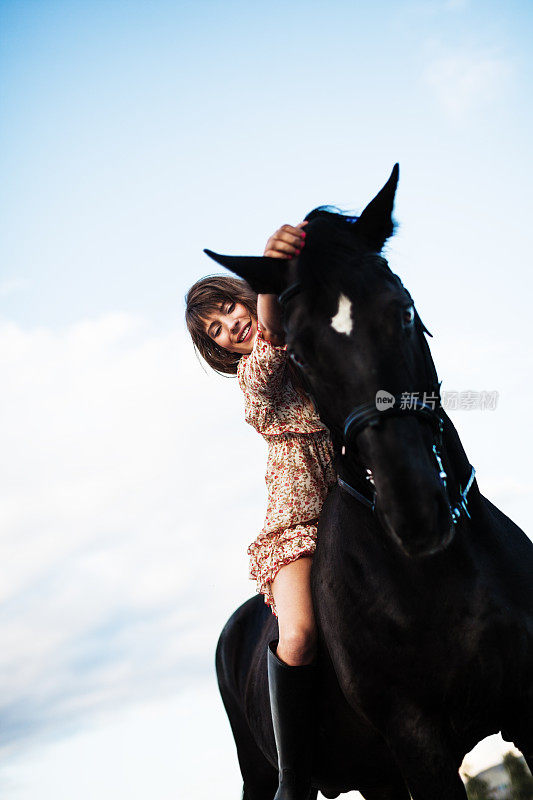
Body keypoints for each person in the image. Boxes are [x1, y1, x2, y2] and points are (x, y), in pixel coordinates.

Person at [185, 221, 337, 800]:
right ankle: (292, 784)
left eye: (228, 308)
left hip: (356, 486)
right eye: (218, 331)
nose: (231, 328)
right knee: (296, 637)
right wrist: (268, 279)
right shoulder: (256, 370)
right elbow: (269, 333)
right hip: (299, 515)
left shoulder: (310, 337)